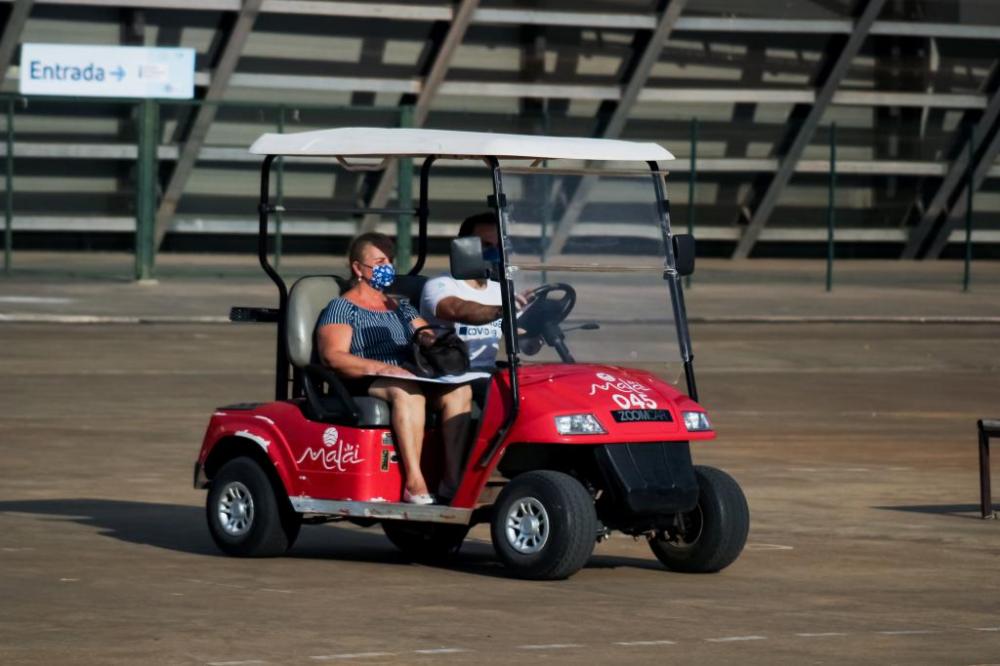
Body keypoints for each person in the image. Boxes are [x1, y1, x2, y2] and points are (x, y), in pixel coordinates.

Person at [315, 232, 473, 505]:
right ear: (358, 268)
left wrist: (435, 343)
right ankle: (414, 482)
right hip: (364, 378)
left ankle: (451, 479)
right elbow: (334, 357)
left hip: (408, 373)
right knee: (408, 391)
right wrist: (383, 368)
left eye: (389, 260)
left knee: (459, 391)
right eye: (378, 261)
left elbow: (426, 333)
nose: (386, 266)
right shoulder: (343, 307)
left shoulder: (400, 306)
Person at [420, 212, 504, 371]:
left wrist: (539, 323)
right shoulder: (440, 284)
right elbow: (456, 309)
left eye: (498, 246)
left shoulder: (500, 289)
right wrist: (503, 310)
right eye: (485, 245)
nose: (494, 253)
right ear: (464, 247)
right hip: (451, 371)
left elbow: (527, 344)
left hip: (489, 372)